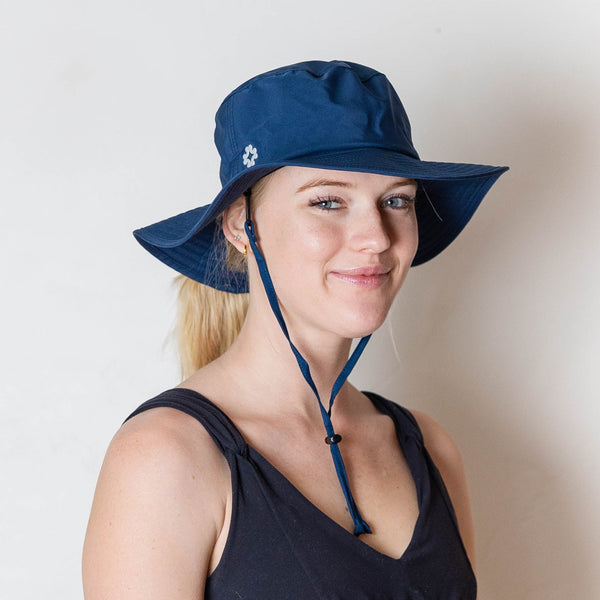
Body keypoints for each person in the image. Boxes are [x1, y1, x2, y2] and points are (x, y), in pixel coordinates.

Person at [82, 60, 507, 599]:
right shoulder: (167, 458)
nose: (377, 237)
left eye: (396, 200)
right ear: (241, 226)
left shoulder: (430, 449)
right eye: (328, 201)